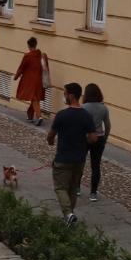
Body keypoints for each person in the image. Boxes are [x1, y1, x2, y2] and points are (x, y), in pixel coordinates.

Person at [46, 82, 104, 225]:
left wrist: (51, 141)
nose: (64, 96)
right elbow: (93, 137)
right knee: (72, 189)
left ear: (71, 96)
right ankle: (69, 218)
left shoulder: (61, 115)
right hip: (79, 159)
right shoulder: (86, 116)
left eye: (65, 94)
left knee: (60, 187)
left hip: (63, 158)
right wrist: (84, 140)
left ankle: (68, 213)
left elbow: (51, 135)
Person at [81, 83, 112, 200]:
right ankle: (93, 193)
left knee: (80, 163)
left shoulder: (83, 107)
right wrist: (105, 138)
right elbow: (108, 125)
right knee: (96, 165)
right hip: (99, 138)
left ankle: (77, 188)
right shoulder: (104, 108)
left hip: (85, 138)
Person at [15, 36, 51, 124]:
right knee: (35, 98)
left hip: (30, 81)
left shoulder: (28, 56)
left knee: (34, 98)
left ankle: (39, 117)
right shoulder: (43, 55)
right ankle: (30, 114)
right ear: (36, 44)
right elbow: (46, 68)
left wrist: (16, 76)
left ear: (28, 45)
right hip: (40, 80)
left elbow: (21, 68)